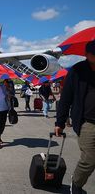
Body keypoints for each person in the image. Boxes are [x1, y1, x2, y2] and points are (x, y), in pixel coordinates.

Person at [55, 40, 95, 194]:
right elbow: (66, 98)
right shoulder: (77, 71)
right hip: (87, 122)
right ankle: (76, 184)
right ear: (87, 55)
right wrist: (60, 122)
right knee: (89, 159)